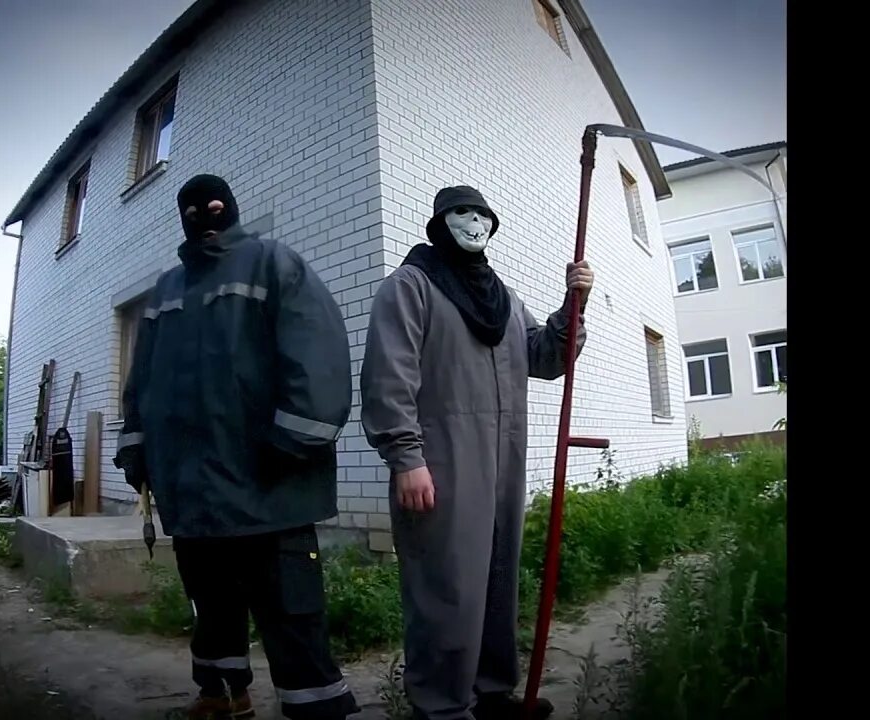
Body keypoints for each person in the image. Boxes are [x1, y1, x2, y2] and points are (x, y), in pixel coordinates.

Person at [115, 173, 361, 720]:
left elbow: (317, 353)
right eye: (190, 212)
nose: (203, 218)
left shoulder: (274, 264)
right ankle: (222, 694)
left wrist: (295, 438)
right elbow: (142, 379)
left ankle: (316, 708)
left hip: (270, 484)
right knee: (210, 602)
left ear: (230, 207)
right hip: (192, 488)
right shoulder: (165, 291)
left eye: (213, 207)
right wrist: (136, 446)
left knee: (292, 611)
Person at [359, 186, 596, 720]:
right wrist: (406, 458)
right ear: (439, 223)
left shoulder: (503, 298)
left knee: (496, 582)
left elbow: (545, 357)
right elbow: (388, 376)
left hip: (503, 464)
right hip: (439, 465)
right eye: (461, 213)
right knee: (447, 587)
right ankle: (442, 706)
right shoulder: (411, 285)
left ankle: (490, 695)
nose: (474, 222)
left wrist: (572, 306)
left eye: (483, 215)